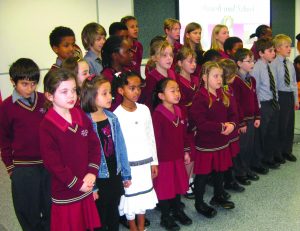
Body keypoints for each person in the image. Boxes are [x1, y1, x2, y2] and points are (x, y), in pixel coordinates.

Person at [40, 69, 101, 231]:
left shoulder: (80, 114)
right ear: (49, 96)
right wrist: (76, 184)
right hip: (66, 192)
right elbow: (54, 165)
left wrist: (91, 172)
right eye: (64, 91)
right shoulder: (47, 126)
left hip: (85, 186)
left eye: (74, 90)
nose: (71, 96)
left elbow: (94, 146)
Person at [0, 58, 51, 231]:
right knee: (28, 211)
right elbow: (4, 140)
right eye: (24, 84)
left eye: (33, 84)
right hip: (23, 167)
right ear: (12, 82)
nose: (29, 89)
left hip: (48, 164)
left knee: (52, 207)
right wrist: (10, 168)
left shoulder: (46, 100)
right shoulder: (6, 107)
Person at [81, 75, 132, 231]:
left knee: (113, 210)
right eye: (105, 93)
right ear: (91, 96)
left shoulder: (112, 118)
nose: (110, 96)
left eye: (110, 92)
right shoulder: (84, 122)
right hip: (97, 177)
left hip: (114, 174)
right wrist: (93, 186)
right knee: (99, 215)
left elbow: (121, 147)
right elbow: (83, 156)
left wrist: (125, 173)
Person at [113, 71, 158, 231]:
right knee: (130, 199)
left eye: (139, 87)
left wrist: (154, 162)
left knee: (143, 198)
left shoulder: (144, 109)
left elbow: (150, 136)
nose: (137, 91)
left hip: (145, 162)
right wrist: (122, 170)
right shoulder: (116, 115)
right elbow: (117, 146)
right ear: (121, 90)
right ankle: (132, 227)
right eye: (132, 88)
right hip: (129, 166)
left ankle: (141, 226)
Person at [190, 61, 235, 219]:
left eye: (221, 76)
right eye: (215, 76)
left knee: (220, 171)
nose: (219, 79)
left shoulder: (223, 94)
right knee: (202, 175)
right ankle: (199, 202)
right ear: (204, 77)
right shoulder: (200, 97)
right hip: (206, 144)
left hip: (221, 143)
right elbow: (201, 123)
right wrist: (222, 127)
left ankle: (218, 195)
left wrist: (233, 124)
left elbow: (232, 114)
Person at [152, 78, 192, 230]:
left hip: (177, 157)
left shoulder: (179, 110)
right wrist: (154, 162)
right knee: (164, 189)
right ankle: (165, 216)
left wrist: (186, 150)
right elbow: (155, 140)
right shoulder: (158, 115)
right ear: (161, 96)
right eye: (172, 90)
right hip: (164, 160)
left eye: (178, 90)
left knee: (176, 186)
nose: (177, 94)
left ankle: (177, 211)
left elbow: (183, 134)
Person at [250, 38, 281, 172]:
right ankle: (258, 162)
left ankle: (268, 158)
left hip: (272, 103)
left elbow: (274, 86)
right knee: (261, 135)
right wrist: (257, 109)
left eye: (274, 50)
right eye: (270, 51)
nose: (273, 53)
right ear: (261, 53)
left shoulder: (270, 65)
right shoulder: (257, 67)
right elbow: (255, 90)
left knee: (271, 133)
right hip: (263, 105)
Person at [232, 48, 261, 184]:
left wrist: (257, 116)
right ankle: (240, 173)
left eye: (252, 60)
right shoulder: (235, 81)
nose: (252, 63)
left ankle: (247, 169)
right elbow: (236, 104)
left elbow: (255, 99)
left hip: (252, 119)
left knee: (249, 146)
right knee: (241, 147)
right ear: (238, 63)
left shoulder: (252, 80)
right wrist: (241, 122)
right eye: (248, 61)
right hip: (242, 121)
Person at [175, 46, 200, 199]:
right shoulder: (177, 80)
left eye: (195, 61)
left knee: (195, 151)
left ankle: (191, 179)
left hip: (196, 119)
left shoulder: (196, 80)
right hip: (184, 120)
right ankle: (186, 182)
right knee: (188, 152)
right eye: (189, 61)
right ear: (179, 63)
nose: (193, 64)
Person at [219, 59, 245, 193]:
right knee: (225, 158)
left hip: (233, 128)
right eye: (234, 74)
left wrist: (240, 122)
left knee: (232, 156)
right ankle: (226, 181)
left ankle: (230, 180)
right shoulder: (220, 90)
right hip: (226, 130)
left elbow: (236, 107)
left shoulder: (229, 88)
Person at [272, 34, 299, 162]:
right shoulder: (274, 63)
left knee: (289, 125)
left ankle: (287, 150)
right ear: (277, 48)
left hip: (289, 96)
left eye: (290, 46)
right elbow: (275, 84)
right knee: (280, 125)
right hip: (280, 96)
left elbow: (293, 82)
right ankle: (278, 152)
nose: (290, 49)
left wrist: (296, 99)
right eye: (287, 46)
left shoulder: (289, 63)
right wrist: (276, 100)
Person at [141, 39, 175, 111]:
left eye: (171, 55)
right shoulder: (151, 78)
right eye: (164, 55)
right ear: (154, 58)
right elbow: (150, 103)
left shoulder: (172, 73)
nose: (169, 58)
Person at [101, 35, 133, 111]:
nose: (131, 54)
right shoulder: (106, 78)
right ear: (115, 55)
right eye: (127, 51)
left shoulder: (129, 72)